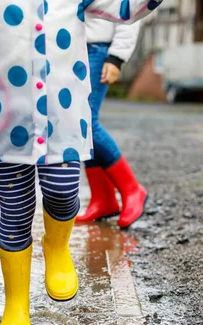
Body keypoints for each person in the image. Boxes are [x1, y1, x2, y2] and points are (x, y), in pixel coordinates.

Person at [0, 0, 162, 325]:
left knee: (63, 193)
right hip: (5, 115)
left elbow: (127, 8)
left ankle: (57, 246)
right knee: (15, 212)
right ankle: (16, 305)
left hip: (62, 114)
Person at [76, 18, 147, 228]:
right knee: (77, 125)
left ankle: (133, 189)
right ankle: (103, 199)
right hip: (71, 50)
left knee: (86, 121)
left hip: (98, 50)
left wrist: (116, 57)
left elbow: (129, 12)